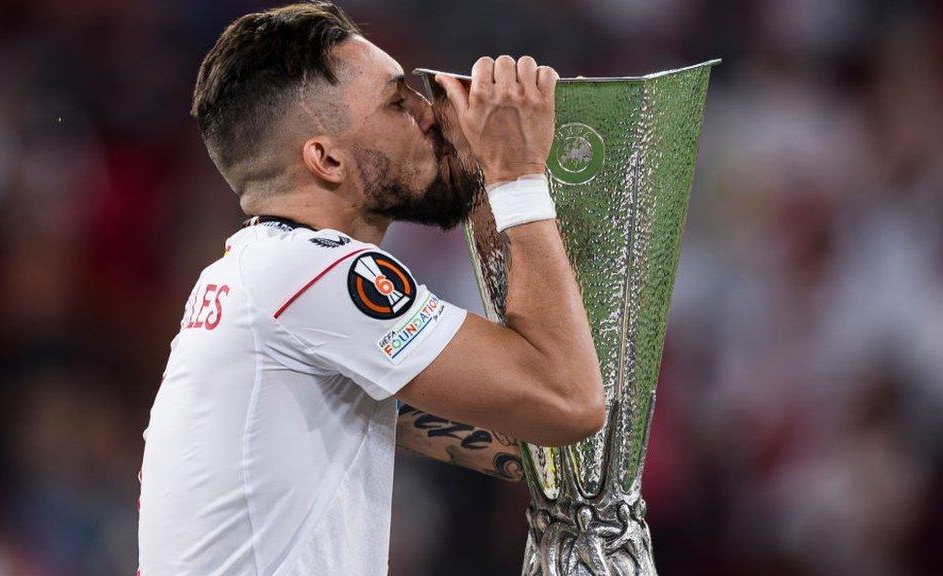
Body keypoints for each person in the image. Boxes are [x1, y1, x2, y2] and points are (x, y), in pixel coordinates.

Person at [136, 2, 604, 575]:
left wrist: (489, 183)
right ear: (326, 159)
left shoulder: (261, 279)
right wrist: (517, 174)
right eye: (396, 100)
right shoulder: (312, 271)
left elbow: (529, 434)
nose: (428, 111)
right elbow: (570, 400)